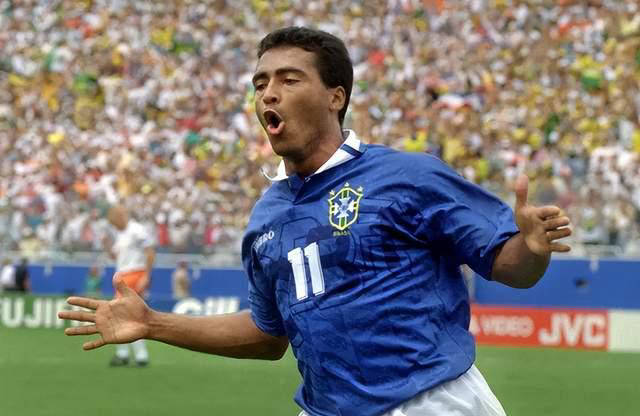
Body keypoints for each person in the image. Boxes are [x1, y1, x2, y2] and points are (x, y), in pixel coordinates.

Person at [59, 27, 572, 416]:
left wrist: (531, 245)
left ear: (335, 96)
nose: (268, 93)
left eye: (289, 79)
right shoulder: (266, 217)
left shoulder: (407, 175)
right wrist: (154, 324)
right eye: (260, 83)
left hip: (430, 402)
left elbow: (510, 267)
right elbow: (269, 335)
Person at [102, 204, 156, 367]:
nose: (114, 226)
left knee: (118, 313)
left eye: (114, 222)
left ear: (120, 216)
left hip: (134, 274)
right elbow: (114, 256)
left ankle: (127, 354)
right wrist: (106, 245)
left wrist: (146, 275)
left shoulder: (136, 230)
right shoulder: (122, 234)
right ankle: (137, 355)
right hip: (124, 276)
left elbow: (150, 251)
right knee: (129, 316)